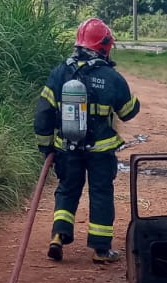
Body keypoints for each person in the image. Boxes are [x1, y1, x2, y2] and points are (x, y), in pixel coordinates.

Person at [34, 18, 141, 264]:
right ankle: (101, 250)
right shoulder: (110, 76)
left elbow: (43, 113)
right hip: (100, 151)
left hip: (66, 148)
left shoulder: (60, 72)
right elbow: (128, 112)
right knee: (100, 193)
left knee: (67, 190)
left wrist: (46, 145)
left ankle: (58, 237)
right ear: (104, 46)